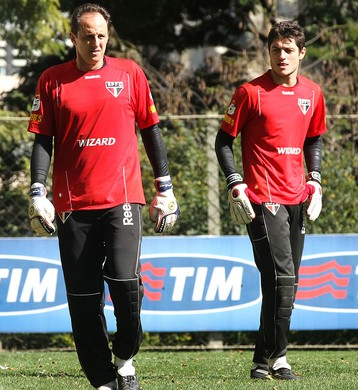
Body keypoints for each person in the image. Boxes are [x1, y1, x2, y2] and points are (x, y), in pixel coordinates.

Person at [27, 3, 180, 390]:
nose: (95, 42)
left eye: (101, 35)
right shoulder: (52, 80)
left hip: (123, 199)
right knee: (83, 299)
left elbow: (151, 130)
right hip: (73, 206)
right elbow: (43, 141)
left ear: (107, 36)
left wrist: (165, 188)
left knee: (127, 284)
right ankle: (102, 381)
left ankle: (124, 358)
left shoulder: (129, 74)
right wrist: (37, 192)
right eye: (87, 35)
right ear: (73, 37)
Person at [214, 20, 326, 381]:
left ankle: (263, 360)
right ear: (269, 52)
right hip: (263, 199)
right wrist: (236, 183)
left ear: (301, 54)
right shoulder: (251, 92)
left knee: (282, 284)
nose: (282, 55)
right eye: (276, 49)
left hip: (298, 198)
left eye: (289, 49)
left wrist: (316, 181)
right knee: (282, 278)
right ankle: (279, 359)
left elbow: (314, 140)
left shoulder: (313, 93)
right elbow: (223, 141)